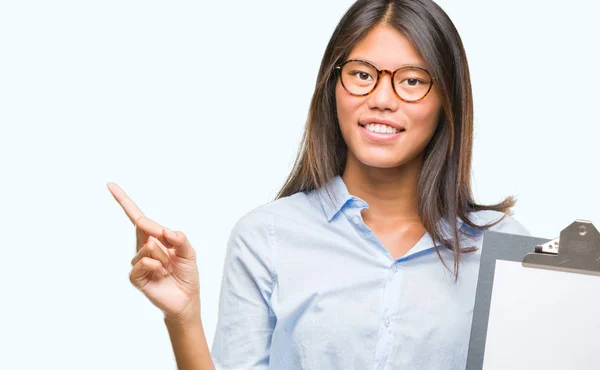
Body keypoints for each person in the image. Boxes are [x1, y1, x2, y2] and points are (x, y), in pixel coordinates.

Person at [108, 0, 529, 368]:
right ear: (334, 87)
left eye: (412, 81)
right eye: (363, 75)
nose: (382, 98)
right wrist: (183, 318)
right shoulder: (265, 238)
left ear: (447, 100)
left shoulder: (503, 247)